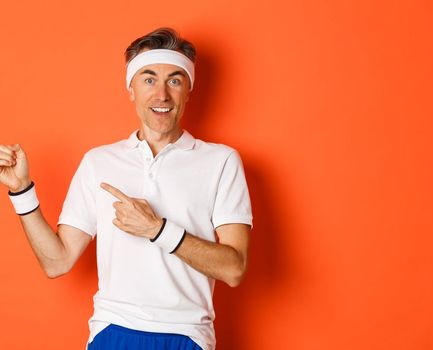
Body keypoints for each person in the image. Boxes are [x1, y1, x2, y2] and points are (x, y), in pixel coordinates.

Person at [0, 27, 253, 350]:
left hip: (186, 335)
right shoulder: (99, 162)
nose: (162, 95)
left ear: (189, 89)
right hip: (112, 330)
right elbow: (57, 262)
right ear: (130, 88)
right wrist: (22, 192)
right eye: (148, 79)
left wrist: (156, 230)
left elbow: (234, 269)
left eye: (175, 80)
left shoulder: (221, 161)